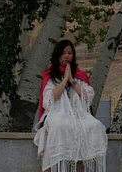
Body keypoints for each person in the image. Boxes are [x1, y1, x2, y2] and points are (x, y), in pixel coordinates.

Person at [34, 39, 107, 172]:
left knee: (95, 126)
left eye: (70, 53)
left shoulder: (79, 76)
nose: (67, 56)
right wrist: (64, 81)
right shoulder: (50, 75)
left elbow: (87, 96)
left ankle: (83, 165)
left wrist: (71, 79)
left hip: (78, 113)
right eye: (63, 53)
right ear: (57, 55)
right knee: (59, 126)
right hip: (56, 112)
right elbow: (49, 100)